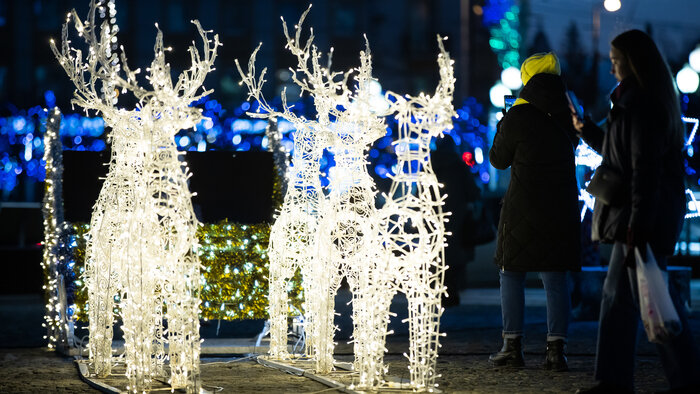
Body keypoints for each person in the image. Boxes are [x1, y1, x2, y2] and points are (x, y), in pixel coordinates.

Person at [574, 29, 700, 393]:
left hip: (640, 218)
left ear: (632, 63)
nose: (611, 69)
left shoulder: (640, 105)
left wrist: (637, 225)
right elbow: (622, 156)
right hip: (639, 217)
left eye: (615, 62)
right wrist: (586, 130)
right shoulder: (635, 102)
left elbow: (643, 170)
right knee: (629, 299)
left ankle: (670, 378)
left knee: (650, 299)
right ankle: (619, 380)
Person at [489, 52, 581, 371]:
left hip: (523, 205)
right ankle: (557, 351)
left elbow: (498, 159)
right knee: (556, 278)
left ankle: (512, 347)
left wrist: (506, 119)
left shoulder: (519, 114)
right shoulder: (570, 111)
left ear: (527, 78)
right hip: (561, 205)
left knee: (511, 273)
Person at [432, 135, 483, 307]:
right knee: (454, 255)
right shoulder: (459, 166)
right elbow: (473, 191)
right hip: (456, 217)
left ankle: (438, 290)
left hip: (434, 217)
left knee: (437, 254)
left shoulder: (429, 167)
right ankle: (452, 291)